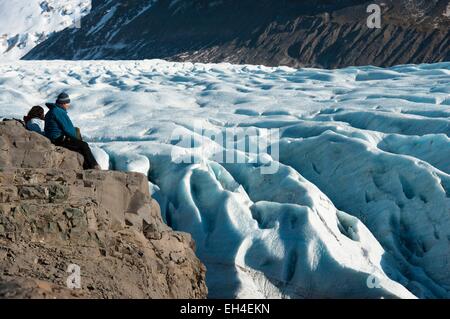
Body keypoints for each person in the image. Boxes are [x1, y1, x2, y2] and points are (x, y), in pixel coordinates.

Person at [45, 92, 100, 170]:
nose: (68, 105)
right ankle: (94, 167)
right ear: (63, 103)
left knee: (79, 148)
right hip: (58, 139)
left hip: (53, 138)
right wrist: (76, 138)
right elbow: (68, 130)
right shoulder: (58, 112)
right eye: (67, 103)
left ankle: (87, 168)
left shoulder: (52, 111)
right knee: (84, 145)